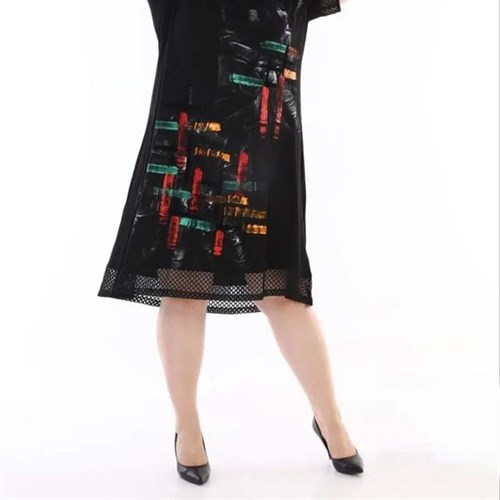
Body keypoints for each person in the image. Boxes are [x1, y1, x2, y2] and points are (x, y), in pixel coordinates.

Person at [97, 0, 363, 485]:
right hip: (188, 124)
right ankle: (187, 427)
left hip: (266, 132)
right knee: (183, 286)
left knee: (283, 292)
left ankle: (331, 420)